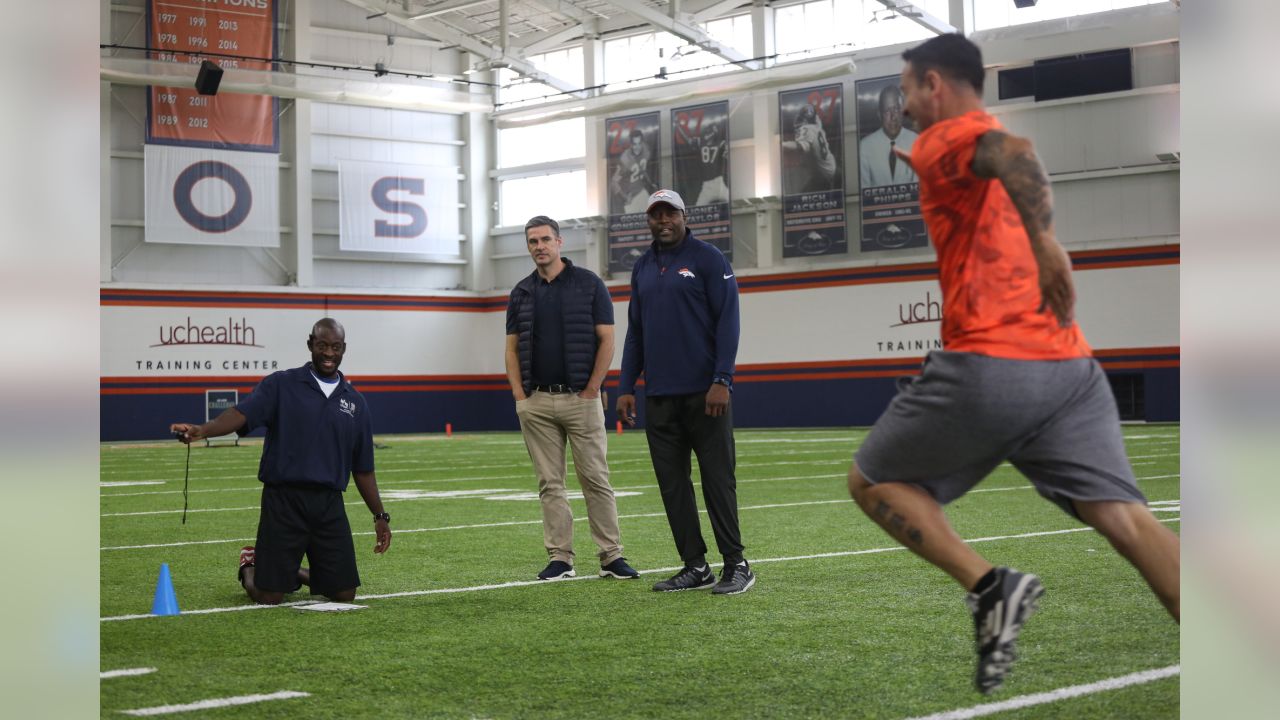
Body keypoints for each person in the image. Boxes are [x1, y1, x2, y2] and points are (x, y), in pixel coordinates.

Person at [845, 34, 1180, 694]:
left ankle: (990, 586)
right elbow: (1007, 160)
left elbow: (1015, 157)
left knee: (870, 481)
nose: (905, 104)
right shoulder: (973, 137)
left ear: (934, 84)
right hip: (1070, 368)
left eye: (908, 88)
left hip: (990, 364)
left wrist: (1049, 246)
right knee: (1126, 518)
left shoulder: (946, 137)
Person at [170, 318, 392, 605]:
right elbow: (241, 415)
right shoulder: (281, 384)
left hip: (329, 505)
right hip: (284, 501)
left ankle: (293, 572)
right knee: (268, 596)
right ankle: (250, 564)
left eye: (335, 347)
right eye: (322, 345)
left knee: (343, 594)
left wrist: (380, 517)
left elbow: (363, 469)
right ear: (310, 343)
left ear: (343, 349)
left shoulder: (355, 403)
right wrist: (203, 430)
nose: (328, 353)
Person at [616, 189, 754, 595]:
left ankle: (737, 563)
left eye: (670, 214)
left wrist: (722, 379)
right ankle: (695, 566)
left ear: (683, 215)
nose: (663, 221)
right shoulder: (642, 267)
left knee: (717, 481)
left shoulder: (709, 259)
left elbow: (729, 322)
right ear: (648, 220)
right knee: (672, 486)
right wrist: (626, 387)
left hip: (705, 395)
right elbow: (635, 333)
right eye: (656, 215)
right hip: (659, 397)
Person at [505, 215, 639, 582]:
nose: (539, 247)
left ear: (560, 242)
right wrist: (520, 395)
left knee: (596, 478)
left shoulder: (589, 285)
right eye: (533, 241)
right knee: (550, 484)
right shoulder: (520, 293)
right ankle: (560, 558)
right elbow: (512, 349)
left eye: (545, 239)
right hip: (536, 402)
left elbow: (607, 340)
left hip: (581, 399)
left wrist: (592, 388)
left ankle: (611, 556)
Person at [859, 84, 920, 188]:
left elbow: (918, 188)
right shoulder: (865, 147)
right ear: (879, 115)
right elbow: (864, 192)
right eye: (887, 111)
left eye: (896, 109)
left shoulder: (916, 141)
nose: (893, 117)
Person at [782, 103, 837, 193]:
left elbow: (800, 146)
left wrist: (781, 144)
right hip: (831, 165)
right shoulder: (817, 126)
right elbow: (815, 117)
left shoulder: (808, 129)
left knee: (800, 198)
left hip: (822, 174)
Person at [611, 128, 654, 214]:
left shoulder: (646, 149)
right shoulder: (625, 159)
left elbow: (643, 168)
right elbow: (613, 182)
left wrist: (650, 182)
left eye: (639, 143)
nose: (637, 147)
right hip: (631, 199)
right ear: (630, 144)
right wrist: (625, 197)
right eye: (634, 144)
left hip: (642, 191)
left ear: (642, 142)